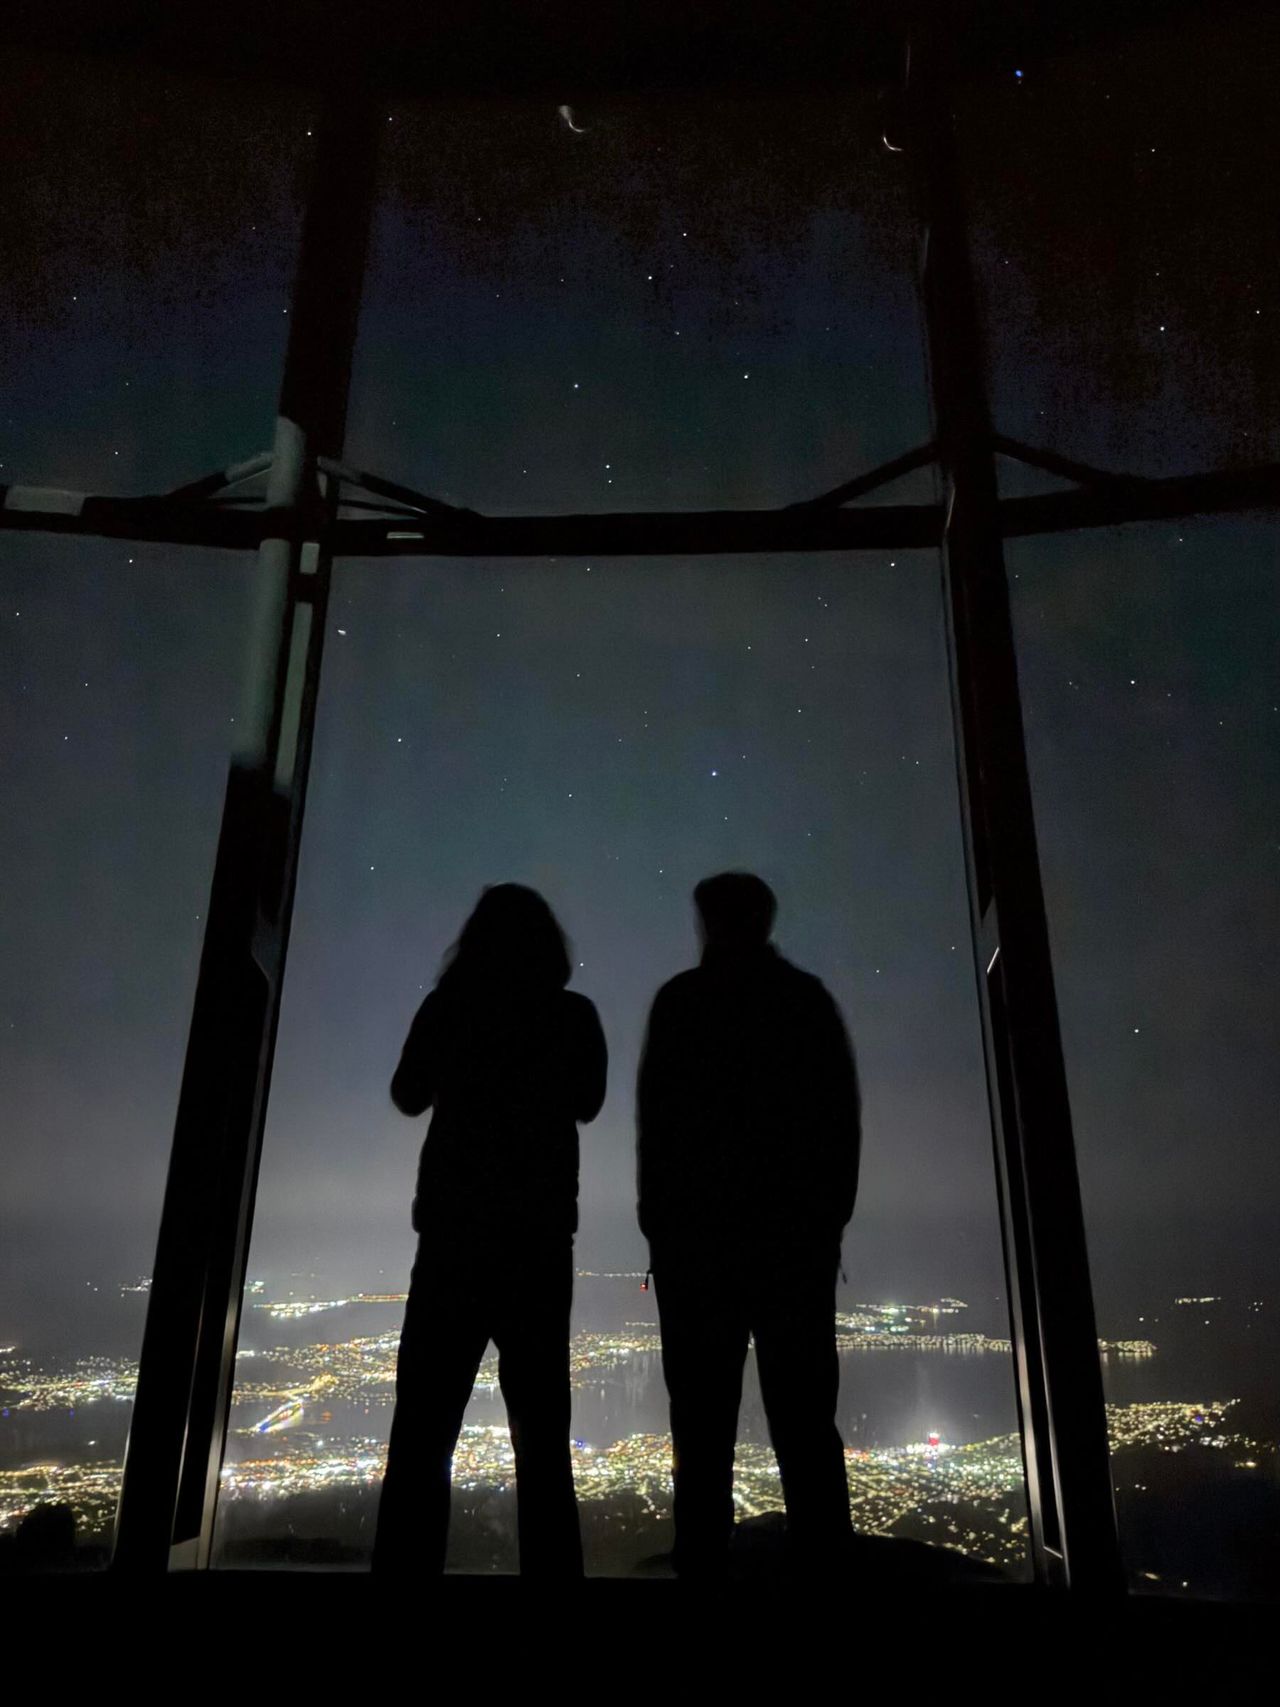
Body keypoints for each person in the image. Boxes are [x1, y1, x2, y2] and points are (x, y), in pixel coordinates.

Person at [373, 884, 607, 1576]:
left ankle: (403, 1582)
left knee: (422, 1433)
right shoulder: (571, 1014)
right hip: (536, 1243)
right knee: (542, 1438)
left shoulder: (450, 1008)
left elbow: (406, 1093)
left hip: (452, 1240)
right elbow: (588, 1102)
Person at [637, 871, 861, 1576]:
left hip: (697, 1253)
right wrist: (824, 1225)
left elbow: (658, 1128)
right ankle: (825, 1574)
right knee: (804, 1422)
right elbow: (839, 1125)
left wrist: (663, 1229)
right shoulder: (806, 1002)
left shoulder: (681, 1003)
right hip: (794, 1248)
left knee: (700, 1428)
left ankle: (703, 1571)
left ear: (707, 922)